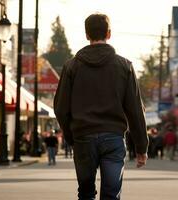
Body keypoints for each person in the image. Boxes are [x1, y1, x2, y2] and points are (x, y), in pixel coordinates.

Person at [54, 13, 148, 200]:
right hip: (113, 137)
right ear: (109, 33)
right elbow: (135, 110)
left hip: (83, 138)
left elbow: (61, 108)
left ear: (87, 35)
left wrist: (72, 136)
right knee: (111, 194)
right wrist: (141, 147)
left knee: (86, 193)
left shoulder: (71, 66)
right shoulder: (124, 66)